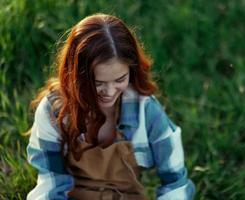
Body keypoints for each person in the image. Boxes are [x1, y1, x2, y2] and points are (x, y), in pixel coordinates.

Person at [26, 13, 195, 200]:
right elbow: (50, 182)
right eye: (97, 82)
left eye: (120, 79)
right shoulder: (53, 111)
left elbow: (176, 182)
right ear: (76, 76)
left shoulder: (145, 110)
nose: (109, 91)